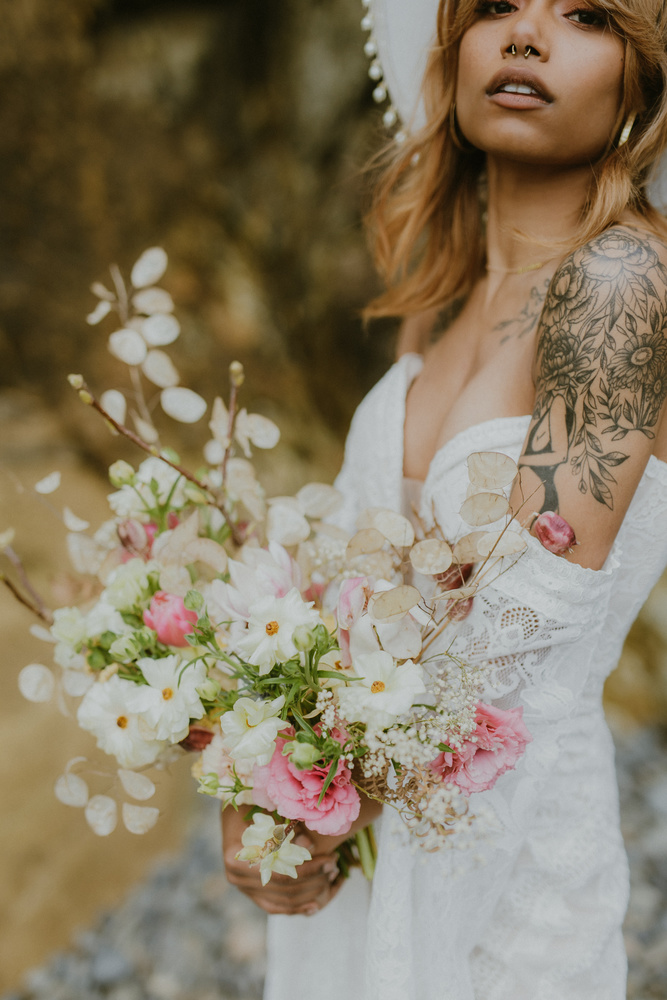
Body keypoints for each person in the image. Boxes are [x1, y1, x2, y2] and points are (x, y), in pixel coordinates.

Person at [222, 0, 667, 996]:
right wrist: (264, 777)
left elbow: (523, 618)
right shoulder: (437, 298)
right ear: (455, 46)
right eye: (497, 7)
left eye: (585, 15)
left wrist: (314, 792)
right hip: (368, 831)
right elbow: (346, 581)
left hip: (505, 845)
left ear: (639, 77)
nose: (524, 36)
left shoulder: (619, 281)